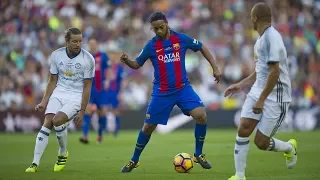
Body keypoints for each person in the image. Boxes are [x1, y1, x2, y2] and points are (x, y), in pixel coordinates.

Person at [119, 12, 222, 173]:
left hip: (183, 88)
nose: (159, 31)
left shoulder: (181, 39)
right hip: (162, 92)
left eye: (161, 27)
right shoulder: (151, 46)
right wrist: (127, 61)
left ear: (167, 24)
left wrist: (215, 67)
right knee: (148, 127)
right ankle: (134, 159)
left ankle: (198, 154)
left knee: (201, 115)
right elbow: (137, 64)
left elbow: (202, 47)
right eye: (155, 29)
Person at [224, 3, 297, 180]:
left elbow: (275, 72)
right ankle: (239, 176)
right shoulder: (261, 39)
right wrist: (241, 84)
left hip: (275, 96)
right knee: (243, 129)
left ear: (255, 18)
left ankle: (289, 148)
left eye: (251, 17)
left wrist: (262, 99)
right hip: (258, 91)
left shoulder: (272, 38)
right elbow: (261, 71)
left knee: (261, 142)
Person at [25, 28, 95, 172]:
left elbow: (87, 87)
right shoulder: (56, 55)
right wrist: (44, 101)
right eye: (74, 41)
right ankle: (34, 163)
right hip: (59, 92)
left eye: (80, 41)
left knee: (57, 120)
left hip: (76, 95)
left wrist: (82, 110)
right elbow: (52, 80)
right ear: (67, 41)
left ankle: (62, 153)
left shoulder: (88, 59)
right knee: (47, 122)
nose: (78, 44)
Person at [79, 37, 110, 144]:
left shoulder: (103, 56)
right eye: (90, 43)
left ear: (97, 44)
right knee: (87, 111)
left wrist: (107, 81)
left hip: (100, 89)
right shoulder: (86, 56)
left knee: (101, 113)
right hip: (90, 88)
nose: (92, 45)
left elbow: (108, 70)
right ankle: (85, 136)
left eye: (94, 43)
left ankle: (100, 135)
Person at [104, 52, 124, 137]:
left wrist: (120, 93)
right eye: (110, 57)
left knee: (115, 110)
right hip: (106, 92)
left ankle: (116, 130)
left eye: (113, 57)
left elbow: (121, 81)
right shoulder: (105, 68)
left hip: (115, 92)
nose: (112, 59)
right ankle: (105, 128)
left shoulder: (119, 68)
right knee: (105, 109)